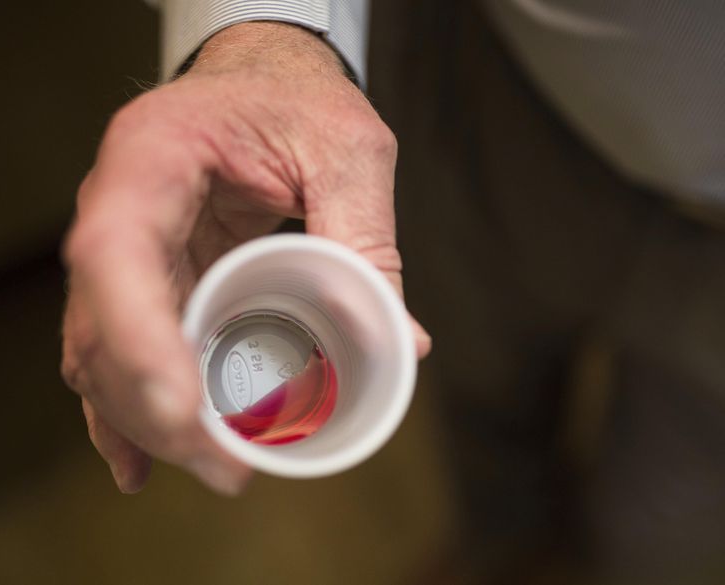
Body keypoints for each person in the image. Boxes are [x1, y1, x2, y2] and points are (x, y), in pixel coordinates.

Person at [60, 1, 725, 582]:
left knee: (666, 523)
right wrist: (263, 32)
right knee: (477, 393)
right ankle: (501, 557)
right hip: (513, 88)